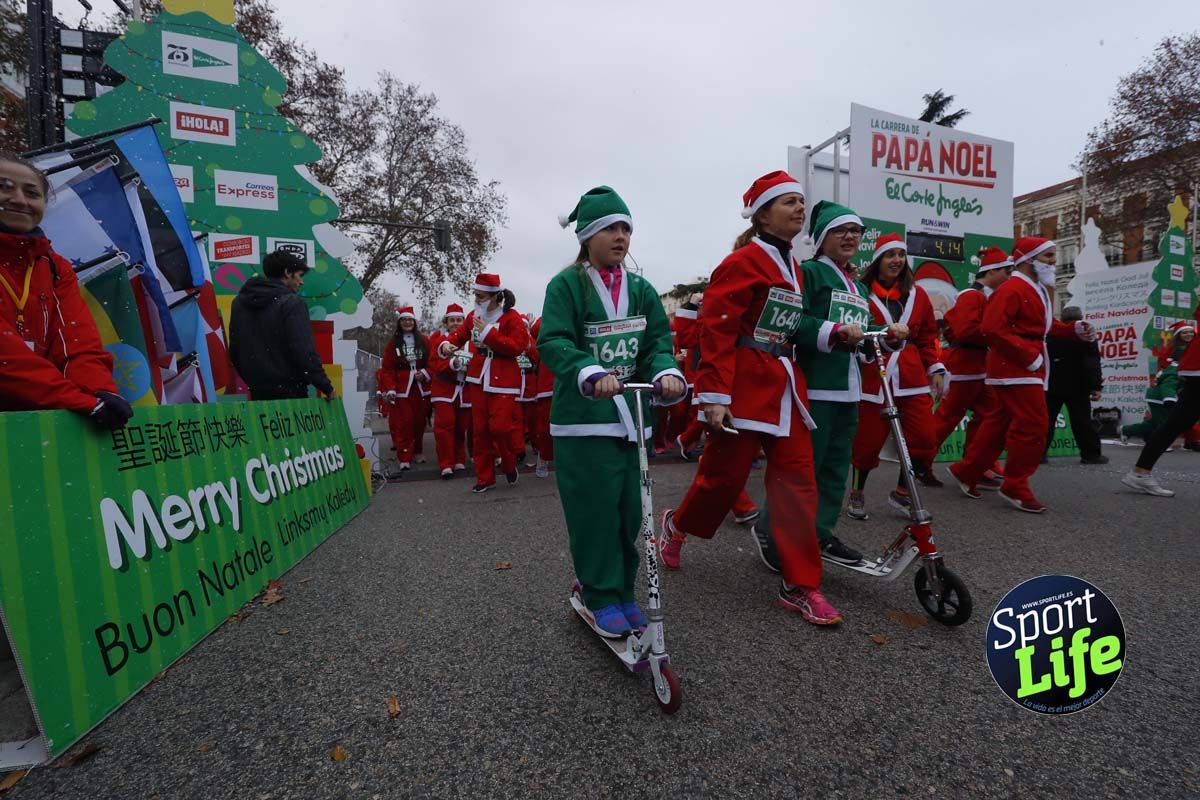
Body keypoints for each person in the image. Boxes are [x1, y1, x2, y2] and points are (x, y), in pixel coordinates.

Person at [658, 172, 856, 624]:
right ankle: (677, 525)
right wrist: (714, 396)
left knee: (798, 489)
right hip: (743, 390)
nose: (800, 209)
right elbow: (717, 330)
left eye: (802, 203)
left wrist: (832, 331)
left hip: (787, 389)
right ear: (763, 213)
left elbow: (797, 326)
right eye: (790, 202)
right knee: (721, 482)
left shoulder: (795, 266)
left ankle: (801, 584)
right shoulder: (742, 262)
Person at [538, 185, 685, 636]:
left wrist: (665, 372)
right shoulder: (567, 284)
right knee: (594, 511)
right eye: (609, 229)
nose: (620, 236)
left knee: (629, 512)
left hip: (631, 419)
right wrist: (588, 370)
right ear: (587, 236)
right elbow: (554, 340)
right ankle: (597, 592)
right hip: (584, 422)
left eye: (626, 228)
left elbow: (657, 343)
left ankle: (622, 591)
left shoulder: (641, 289)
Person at [751, 200, 908, 572]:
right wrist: (833, 332)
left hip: (849, 391)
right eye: (841, 231)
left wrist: (887, 339)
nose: (851, 236)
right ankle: (771, 531)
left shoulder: (856, 284)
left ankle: (819, 532)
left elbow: (864, 338)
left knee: (836, 470)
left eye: (856, 231)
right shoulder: (808, 274)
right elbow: (792, 322)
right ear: (822, 239)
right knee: (802, 470)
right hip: (814, 389)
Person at [945, 237, 1095, 513]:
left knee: (998, 425)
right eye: (1049, 256)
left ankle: (967, 470)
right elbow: (991, 328)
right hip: (1016, 368)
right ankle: (1015, 484)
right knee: (1033, 425)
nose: (1054, 261)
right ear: (1029, 260)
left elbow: (1044, 326)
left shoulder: (1034, 288)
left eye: (1053, 256)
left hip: (1021, 366)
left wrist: (1073, 330)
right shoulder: (1013, 288)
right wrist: (1028, 356)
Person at [0, 153, 132, 430]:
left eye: (32, 193)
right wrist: (77, 401)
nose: (20, 200)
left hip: (31, 423)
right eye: (4, 187)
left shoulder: (54, 267)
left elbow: (77, 341)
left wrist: (99, 390)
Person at [847, 234, 947, 520]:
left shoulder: (919, 295)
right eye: (889, 255)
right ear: (878, 260)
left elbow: (927, 336)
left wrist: (935, 369)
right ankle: (857, 490)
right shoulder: (860, 292)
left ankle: (902, 493)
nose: (896, 260)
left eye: (900, 255)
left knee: (926, 439)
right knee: (866, 445)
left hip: (912, 379)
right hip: (874, 378)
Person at [437, 273, 529, 493]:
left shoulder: (511, 318)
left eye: (480, 296)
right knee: (480, 432)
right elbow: (458, 336)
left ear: (494, 296)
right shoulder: (472, 317)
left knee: (500, 428)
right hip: (478, 378)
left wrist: (487, 333)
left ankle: (508, 463)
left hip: (504, 379)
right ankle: (485, 478)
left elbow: (518, 346)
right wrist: (447, 345)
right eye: (476, 296)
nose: (477, 300)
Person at [931, 247, 1013, 489]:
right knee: (948, 417)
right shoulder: (971, 295)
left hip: (976, 365)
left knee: (990, 414)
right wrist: (998, 334)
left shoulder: (982, 296)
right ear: (993, 271)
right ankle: (918, 461)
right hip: (965, 365)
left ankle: (976, 463)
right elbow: (967, 331)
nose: (1010, 276)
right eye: (1007, 271)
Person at [229, 250, 335, 402]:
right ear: (287, 273)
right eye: (299, 275)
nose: (301, 282)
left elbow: (235, 351)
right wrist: (326, 387)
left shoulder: (238, 303)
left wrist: (254, 381)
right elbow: (304, 352)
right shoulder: (292, 303)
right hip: (291, 394)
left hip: (257, 394)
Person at [1123, 310, 1200, 496]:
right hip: (1191, 375)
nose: (1188, 334)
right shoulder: (1175, 349)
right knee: (1173, 424)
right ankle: (1140, 472)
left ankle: (1141, 471)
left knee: (1174, 424)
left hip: (1192, 373)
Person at [1045, 306, 1106, 464]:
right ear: (1080, 317)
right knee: (1082, 421)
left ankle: (1037, 454)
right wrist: (1096, 386)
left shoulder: (1052, 334)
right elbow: (1091, 363)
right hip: (1078, 385)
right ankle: (1091, 454)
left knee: (1047, 420)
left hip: (1052, 383)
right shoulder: (1086, 334)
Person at [378, 306, 431, 471]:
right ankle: (404, 455)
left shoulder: (424, 340)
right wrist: (391, 388)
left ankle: (418, 451)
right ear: (399, 322)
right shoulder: (393, 343)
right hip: (402, 388)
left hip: (421, 387)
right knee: (404, 422)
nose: (407, 322)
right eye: (404, 320)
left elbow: (433, 362)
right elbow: (387, 368)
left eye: (410, 320)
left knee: (419, 422)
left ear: (414, 322)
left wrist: (425, 373)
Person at [1121, 320, 1193, 443]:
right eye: (1184, 332)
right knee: (1164, 422)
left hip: (1167, 394)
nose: (1188, 335)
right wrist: (1168, 397)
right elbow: (1167, 381)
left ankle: (1127, 430)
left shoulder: (1191, 349)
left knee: (1155, 422)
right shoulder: (1175, 357)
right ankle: (1161, 442)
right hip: (1161, 395)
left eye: (1191, 332)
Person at [426, 303, 472, 479]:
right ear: (446, 322)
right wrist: (453, 364)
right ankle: (446, 464)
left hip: (464, 390)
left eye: (459, 320)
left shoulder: (469, 342)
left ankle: (459, 459)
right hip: (444, 389)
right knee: (444, 427)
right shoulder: (439, 340)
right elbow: (434, 363)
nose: (455, 323)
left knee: (461, 427)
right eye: (452, 320)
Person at [526, 314, 556, 477]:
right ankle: (544, 456)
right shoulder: (546, 318)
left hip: (570, 381)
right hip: (547, 383)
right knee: (544, 428)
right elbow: (535, 330)